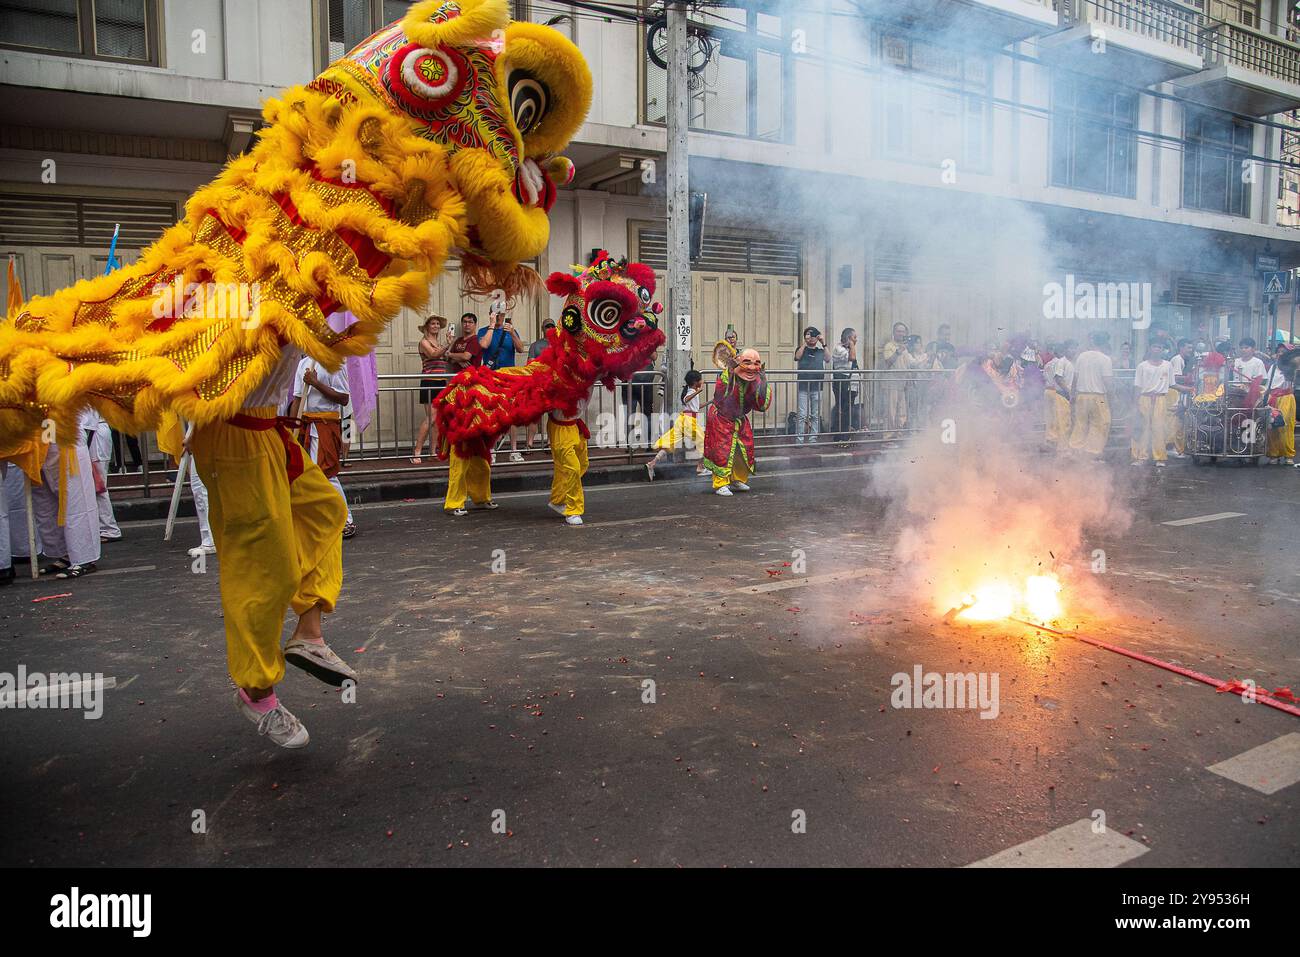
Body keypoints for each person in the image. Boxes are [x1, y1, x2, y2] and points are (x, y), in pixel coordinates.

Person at [189, 342, 357, 749]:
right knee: (263, 571)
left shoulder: (294, 293)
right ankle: (257, 692)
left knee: (326, 509)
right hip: (235, 438)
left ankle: (309, 635)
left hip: (266, 431)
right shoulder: (223, 298)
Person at [291, 355, 355, 539]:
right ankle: (317, 519)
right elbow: (297, 398)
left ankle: (346, 520)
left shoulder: (334, 363)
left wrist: (316, 383)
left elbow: (343, 398)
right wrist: (292, 430)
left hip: (325, 425)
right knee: (308, 473)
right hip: (306, 424)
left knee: (326, 473)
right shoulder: (303, 363)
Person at [29, 435, 100, 578]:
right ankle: (65, 554)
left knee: (75, 498)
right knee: (46, 503)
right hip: (38, 440)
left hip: (65, 438)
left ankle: (84, 558)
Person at [703, 349, 771, 495]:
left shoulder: (755, 379)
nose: (751, 367)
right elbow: (722, 394)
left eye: (756, 363)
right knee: (721, 451)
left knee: (742, 450)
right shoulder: (727, 375)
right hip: (721, 418)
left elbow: (761, 404)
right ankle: (721, 483)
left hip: (739, 419)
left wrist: (764, 381)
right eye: (747, 363)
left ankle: (737, 479)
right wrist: (731, 370)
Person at [479, 301, 526, 463]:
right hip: (491, 378)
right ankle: (491, 449)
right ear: (491, 314)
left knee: (512, 415)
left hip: (509, 377)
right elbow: (483, 344)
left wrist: (512, 333)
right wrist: (492, 325)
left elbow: (521, 349)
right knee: (492, 414)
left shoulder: (510, 330)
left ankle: (514, 450)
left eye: (502, 314)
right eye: (496, 314)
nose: (500, 317)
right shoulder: (484, 331)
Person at [645, 369, 705, 481]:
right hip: (689, 421)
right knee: (703, 441)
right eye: (701, 379)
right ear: (695, 381)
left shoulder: (691, 390)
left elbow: (695, 407)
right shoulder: (691, 391)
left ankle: (652, 464)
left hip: (683, 420)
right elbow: (687, 399)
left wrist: (710, 402)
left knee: (670, 443)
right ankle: (700, 467)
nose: (702, 381)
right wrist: (699, 391)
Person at [546, 393, 591, 526]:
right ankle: (573, 510)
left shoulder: (592, 375)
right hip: (560, 427)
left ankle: (558, 499)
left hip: (574, 426)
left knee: (582, 463)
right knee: (572, 468)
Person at [411, 315, 451, 464]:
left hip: (440, 382)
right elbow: (433, 354)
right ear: (427, 326)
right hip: (429, 382)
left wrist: (447, 348)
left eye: (437, 324)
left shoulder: (438, 342)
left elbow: (444, 357)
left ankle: (432, 451)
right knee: (431, 418)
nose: (435, 326)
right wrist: (447, 346)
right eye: (432, 323)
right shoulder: (424, 342)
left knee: (438, 419)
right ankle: (417, 451)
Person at [79, 405, 120, 542]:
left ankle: (109, 529)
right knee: (96, 486)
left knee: (98, 487)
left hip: (95, 436)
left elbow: (88, 423)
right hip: (95, 434)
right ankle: (104, 527)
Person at [1069, 332, 1114, 458]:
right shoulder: (1105, 359)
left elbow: (1075, 377)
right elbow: (1108, 381)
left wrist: (1072, 394)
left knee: (1080, 422)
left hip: (1081, 395)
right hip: (1098, 397)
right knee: (1101, 423)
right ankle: (1091, 452)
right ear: (1105, 343)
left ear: (1093, 342)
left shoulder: (1081, 357)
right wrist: (1112, 398)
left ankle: (1075, 450)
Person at [1131, 341, 1172, 468]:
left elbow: (1171, 384)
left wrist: (1187, 388)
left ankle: (1159, 457)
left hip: (1160, 399)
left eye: (1159, 346)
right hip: (1145, 398)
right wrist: (1135, 403)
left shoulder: (1168, 365)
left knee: (1159, 429)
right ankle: (1140, 456)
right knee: (1143, 428)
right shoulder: (1142, 366)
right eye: (1154, 346)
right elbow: (1137, 386)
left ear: (1162, 349)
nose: (1157, 349)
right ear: (1149, 348)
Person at [525, 319, 556, 450]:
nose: (549, 328)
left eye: (551, 326)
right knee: (534, 415)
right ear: (542, 329)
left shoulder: (560, 344)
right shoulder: (535, 345)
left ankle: (550, 442)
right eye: (547, 326)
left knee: (553, 415)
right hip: (538, 383)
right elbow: (530, 364)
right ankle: (529, 443)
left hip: (554, 384)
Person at [880, 322, 915, 436]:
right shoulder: (889, 346)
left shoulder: (905, 348)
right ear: (894, 332)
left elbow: (909, 364)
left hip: (902, 383)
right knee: (890, 411)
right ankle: (888, 436)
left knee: (902, 411)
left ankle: (898, 433)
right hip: (891, 383)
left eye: (903, 331)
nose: (901, 333)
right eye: (899, 331)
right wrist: (898, 351)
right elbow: (888, 361)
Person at [793, 326, 827, 443]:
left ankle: (813, 439)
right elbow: (797, 357)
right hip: (803, 386)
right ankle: (800, 439)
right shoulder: (801, 349)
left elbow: (828, 359)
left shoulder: (820, 351)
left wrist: (823, 343)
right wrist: (805, 343)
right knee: (802, 414)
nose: (812, 338)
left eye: (814, 336)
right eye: (809, 335)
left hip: (817, 386)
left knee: (815, 415)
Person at [1265, 343, 1297, 465]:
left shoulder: (1292, 368)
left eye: (1283, 352)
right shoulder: (1273, 367)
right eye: (1279, 351)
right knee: (1272, 426)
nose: (1280, 353)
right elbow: (1268, 385)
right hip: (1273, 398)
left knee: (1285, 426)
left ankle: (1288, 454)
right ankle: (1274, 453)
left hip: (1286, 398)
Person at [1166, 339, 1196, 458]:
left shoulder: (1183, 360)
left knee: (1179, 422)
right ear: (1181, 348)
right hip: (1174, 392)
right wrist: (1190, 379)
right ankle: (1171, 447)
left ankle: (1178, 448)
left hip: (1179, 392)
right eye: (1188, 347)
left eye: (1191, 347)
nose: (1190, 350)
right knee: (1174, 420)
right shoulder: (1177, 359)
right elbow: (1175, 377)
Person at [1045, 340, 1076, 452]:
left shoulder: (1072, 363)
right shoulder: (1061, 362)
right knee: (1063, 423)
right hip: (1061, 395)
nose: (1073, 350)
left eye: (1075, 348)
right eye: (1071, 348)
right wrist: (1069, 392)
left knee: (1065, 422)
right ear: (1065, 350)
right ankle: (1063, 450)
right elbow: (1058, 378)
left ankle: (1059, 445)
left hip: (1066, 396)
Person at [830, 327, 860, 437]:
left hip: (851, 384)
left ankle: (846, 433)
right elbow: (852, 358)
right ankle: (839, 435)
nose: (856, 340)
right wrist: (851, 345)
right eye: (854, 337)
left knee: (848, 409)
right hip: (842, 382)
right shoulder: (839, 348)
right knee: (842, 409)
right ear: (848, 338)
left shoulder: (848, 349)